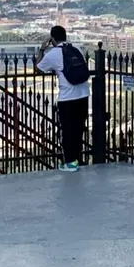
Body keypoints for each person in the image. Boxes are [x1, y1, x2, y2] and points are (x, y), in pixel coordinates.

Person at [34, 25, 89, 171]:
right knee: (78, 130)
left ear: (52, 39)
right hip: (83, 95)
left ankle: (70, 162)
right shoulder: (77, 50)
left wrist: (41, 49)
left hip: (67, 98)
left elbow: (38, 68)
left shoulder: (53, 54)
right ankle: (77, 160)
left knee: (67, 131)